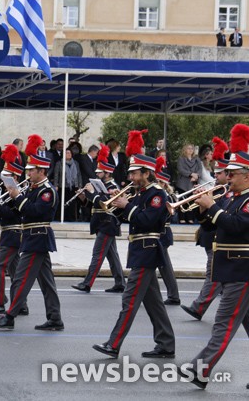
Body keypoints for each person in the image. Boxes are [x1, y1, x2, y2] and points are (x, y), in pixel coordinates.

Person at [92, 137, 175, 360]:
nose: (131, 177)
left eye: (135, 173)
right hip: (140, 249)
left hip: (147, 250)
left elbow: (147, 220)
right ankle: (166, 343)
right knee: (154, 303)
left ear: (147, 173)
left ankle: (113, 344)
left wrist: (127, 205)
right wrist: (116, 205)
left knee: (129, 301)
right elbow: (133, 217)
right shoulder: (142, 193)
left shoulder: (157, 193)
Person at [181, 124, 249, 389]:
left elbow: (236, 226)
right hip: (231, 269)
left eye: (232, 173)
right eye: (227, 173)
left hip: (241, 271)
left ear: (246, 175)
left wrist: (213, 207)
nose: (227, 177)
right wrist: (203, 207)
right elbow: (215, 225)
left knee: (223, 324)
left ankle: (200, 369)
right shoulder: (233, 197)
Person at [0, 134, 63, 332]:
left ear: (41, 171)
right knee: (47, 282)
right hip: (31, 237)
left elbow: (34, 211)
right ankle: (55, 318)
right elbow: (21, 209)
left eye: (31, 170)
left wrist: (18, 197)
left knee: (20, 279)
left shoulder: (47, 191)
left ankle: (10, 315)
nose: (28, 173)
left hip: (37, 237)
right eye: (28, 170)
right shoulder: (33, 188)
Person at [182, 147, 230, 321]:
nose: (216, 176)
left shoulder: (229, 194)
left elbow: (225, 218)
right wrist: (201, 207)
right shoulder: (216, 191)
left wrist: (210, 205)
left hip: (222, 242)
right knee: (218, 277)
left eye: (219, 173)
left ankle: (198, 307)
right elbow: (206, 223)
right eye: (215, 173)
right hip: (210, 237)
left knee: (213, 275)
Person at [71, 144, 125, 294]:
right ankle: (120, 283)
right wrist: (83, 198)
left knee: (98, 254)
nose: (97, 173)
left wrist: (92, 192)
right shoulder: (101, 184)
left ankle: (87, 283)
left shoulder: (112, 186)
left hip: (108, 223)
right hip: (101, 222)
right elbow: (94, 205)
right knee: (112, 255)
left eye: (100, 172)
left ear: (107, 172)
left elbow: (103, 203)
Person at [0, 145, 27, 316]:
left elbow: (10, 214)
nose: (4, 181)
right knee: (16, 272)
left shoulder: (19, 193)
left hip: (14, 233)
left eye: (7, 177)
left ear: (15, 177)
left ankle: (0, 303)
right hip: (7, 233)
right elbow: (1, 212)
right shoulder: (8, 193)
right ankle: (21, 304)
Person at [155, 158, 180, 306]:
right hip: (159, 234)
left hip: (163, 234)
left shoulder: (167, 197)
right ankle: (172, 295)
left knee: (165, 268)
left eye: (159, 181)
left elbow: (169, 216)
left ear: (164, 183)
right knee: (160, 267)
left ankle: (174, 296)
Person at [52, 148, 81, 221]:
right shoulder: (59, 163)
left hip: (74, 186)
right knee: (63, 202)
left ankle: (72, 218)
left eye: (70, 153)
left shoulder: (76, 163)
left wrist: (80, 186)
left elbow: (78, 175)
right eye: (67, 153)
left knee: (72, 203)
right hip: (63, 186)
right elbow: (56, 175)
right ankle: (62, 217)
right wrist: (56, 185)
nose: (69, 154)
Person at [176, 143, 200, 223]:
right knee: (183, 201)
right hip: (183, 183)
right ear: (185, 150)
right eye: (188, 148)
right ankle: (182, 218)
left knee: (191, 201)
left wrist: (196, 175)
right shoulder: (181, 158)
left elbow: (200, 169)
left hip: (193, 182)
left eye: (192, 148)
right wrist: (191, 174)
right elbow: (181, 169)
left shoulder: (196, 159)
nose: (190, 150)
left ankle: (190, 218)